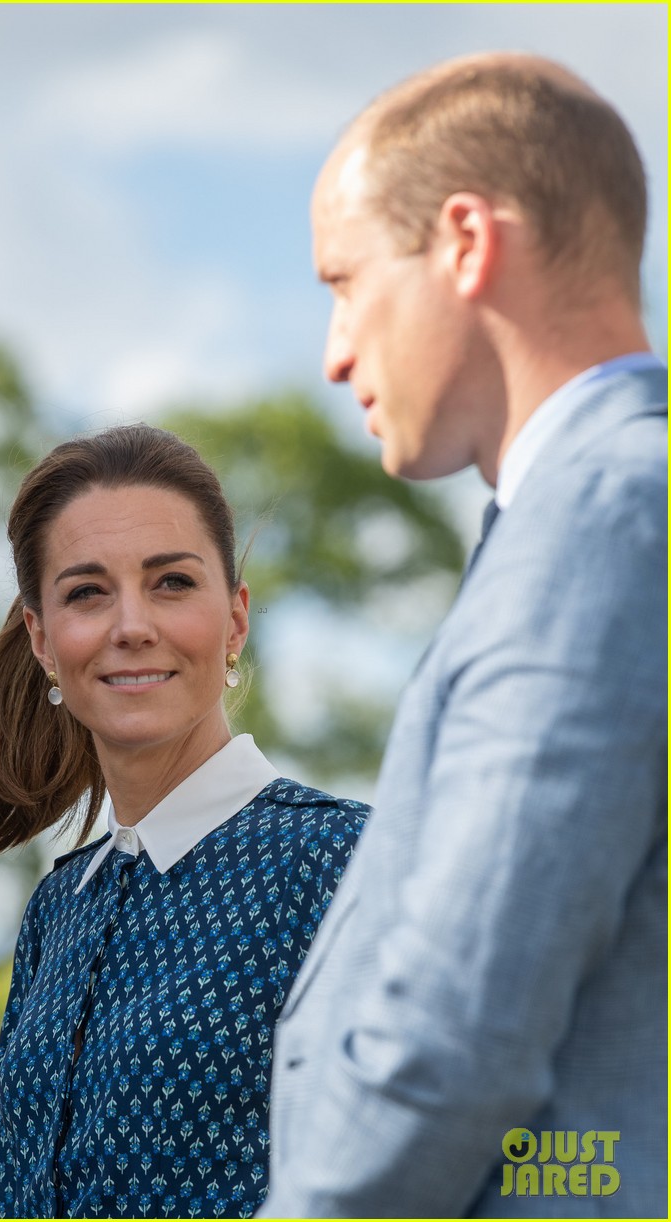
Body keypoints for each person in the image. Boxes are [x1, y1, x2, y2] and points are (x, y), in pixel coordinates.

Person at [259, 52, 666, 1219]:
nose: (335, 351)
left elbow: (456, 1033)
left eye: (345, 282)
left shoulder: (602, 514)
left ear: (466, 241)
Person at [0, 424, 368, 1219]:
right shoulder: (57, 910)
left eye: (171, 582)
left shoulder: (340, 862)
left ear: (235, 619)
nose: (130, 624)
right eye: (86, 592)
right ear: (42, 639)